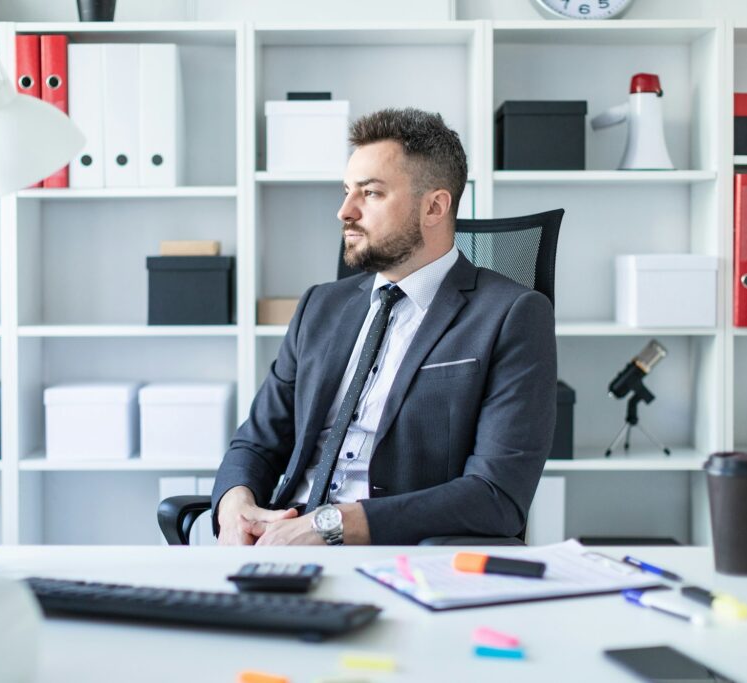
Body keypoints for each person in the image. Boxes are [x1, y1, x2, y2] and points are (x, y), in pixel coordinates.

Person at [213, 107, 557, 546]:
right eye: (346, 191)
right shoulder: (321, 305)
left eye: (370, 193)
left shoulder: (512, 314)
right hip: (277, 543)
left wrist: (332, 526)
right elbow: (256, 443)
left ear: (434, 206)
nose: (344, 211)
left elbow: (496, 496)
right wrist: (234, 505)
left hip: (400, 555)